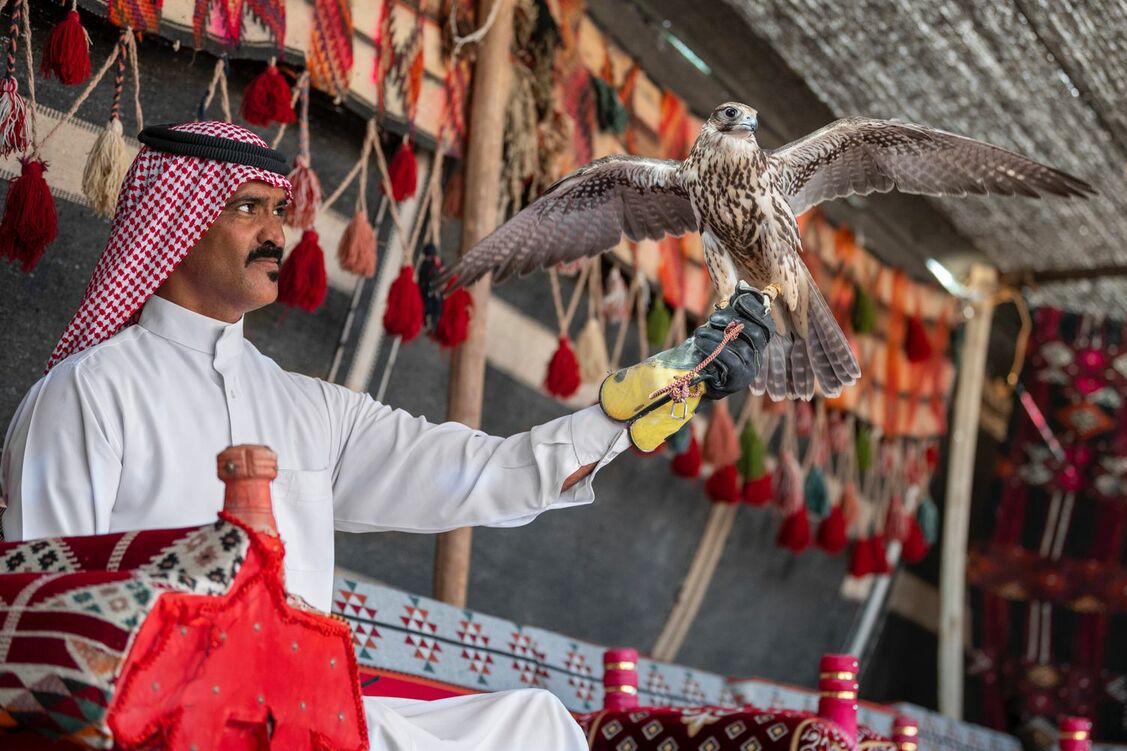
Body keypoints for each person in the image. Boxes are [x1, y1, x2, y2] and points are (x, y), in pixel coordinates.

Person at [0, 121, 772, 750]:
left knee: (535, 726)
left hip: (315, 719)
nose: (279, 230)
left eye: (280, 208)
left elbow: (483, 475)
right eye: (248, 208)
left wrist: (633, 404)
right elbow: (39, 624)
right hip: (169, 725)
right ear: (174, 223)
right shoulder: (85, 395)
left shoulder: (309, 407)